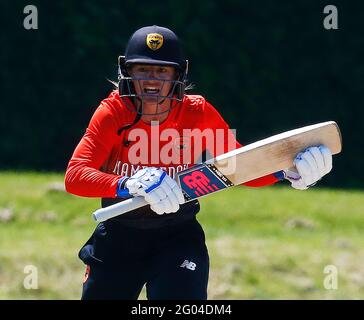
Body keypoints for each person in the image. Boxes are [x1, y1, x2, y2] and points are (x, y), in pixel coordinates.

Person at [64, 25, 333, 300]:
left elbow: (238, 167)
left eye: (162, 70)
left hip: (177, 237)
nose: (151, 79)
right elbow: (75, 176)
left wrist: (287, 172)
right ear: (127, 73)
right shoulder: (112, 112)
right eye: (142, 69)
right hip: (118, 237)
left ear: (178, 75)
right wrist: (127, 184)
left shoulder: (198, 112)